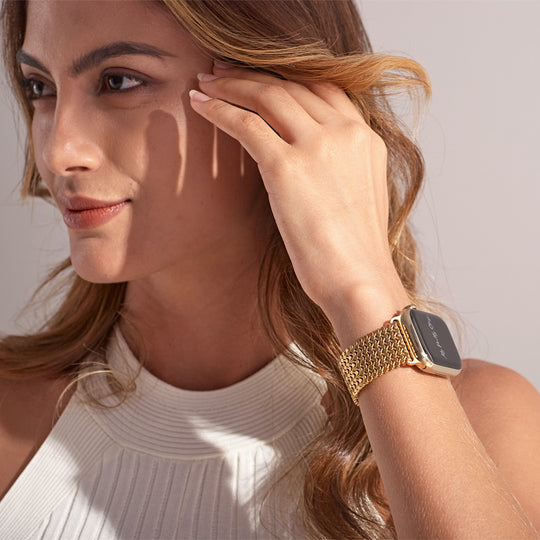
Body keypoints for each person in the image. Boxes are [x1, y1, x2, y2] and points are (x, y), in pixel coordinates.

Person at [0, 0, 538, 538]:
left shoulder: (485, 428)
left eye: (119, 81)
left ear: (284, 96)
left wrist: (362, 287)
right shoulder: (9, 415)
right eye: (40, 87)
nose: (57, 151)